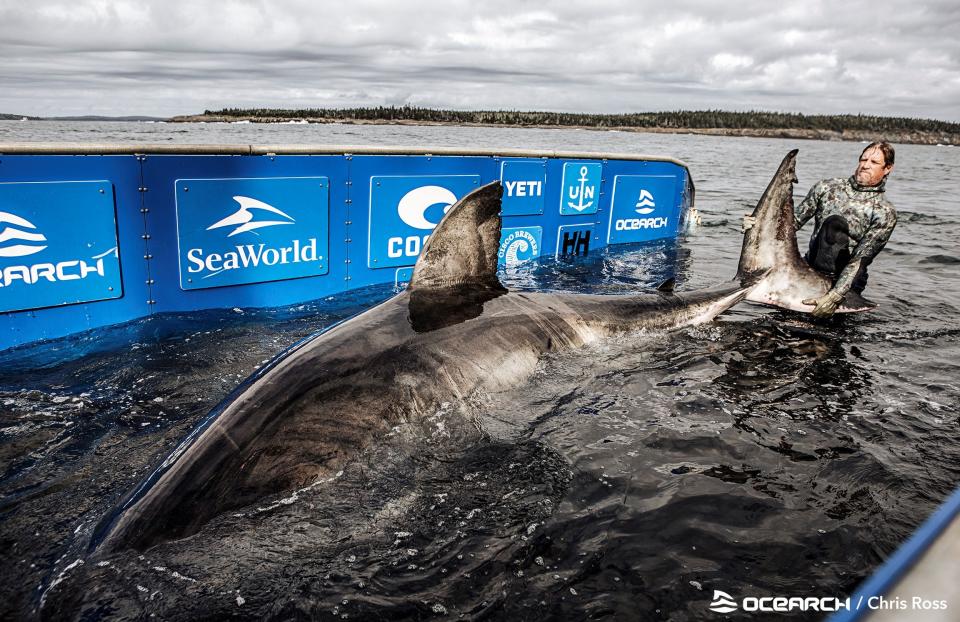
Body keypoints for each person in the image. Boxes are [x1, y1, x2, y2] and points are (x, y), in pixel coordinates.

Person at [743, 142, 897, 318]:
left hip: (846, 282)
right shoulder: (827, 188)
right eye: (863, 159)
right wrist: (758, 227)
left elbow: (860, 260)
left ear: (888, 168)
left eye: (874, 162)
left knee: (824, 340)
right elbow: (791, 225)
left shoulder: (884, 212)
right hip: (808, 270)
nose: (865, 165)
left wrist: (835, 296)